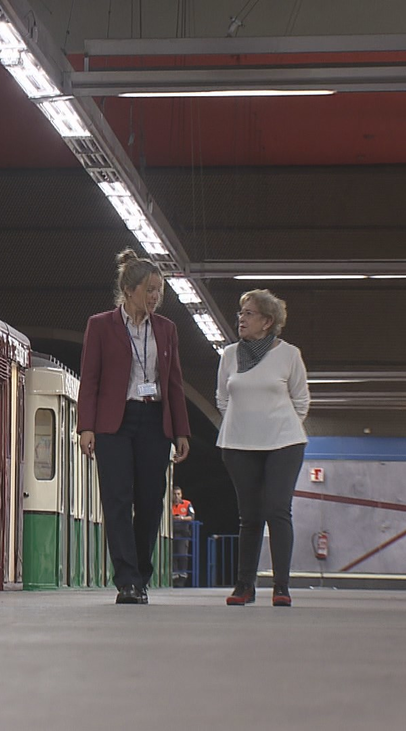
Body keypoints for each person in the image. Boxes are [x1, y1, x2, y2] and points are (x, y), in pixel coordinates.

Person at [78, 249, 191, 605]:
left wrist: (181, 431)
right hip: (114, 422)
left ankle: (141, 571)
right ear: (128, 291)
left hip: (154, 422)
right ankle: (126, 580)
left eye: (160, 290)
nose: (156, 297)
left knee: (150, 502)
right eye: (150, 290)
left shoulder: (167, 330)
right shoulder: (100, 325)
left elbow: (174, 382)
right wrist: (86, 427)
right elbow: (90, 379)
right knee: (116, 500)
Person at [216, 289, 310, 608]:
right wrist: (240, 422)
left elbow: (301, 400)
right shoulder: (229, 355)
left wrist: (279, 426)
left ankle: (281, 586)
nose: (241, 318)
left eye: (249, 313)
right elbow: (222, 397)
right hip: (239, 444)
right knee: (250, 515)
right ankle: (245, 585)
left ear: (267, 321)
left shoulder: (289, 355)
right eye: (240, 313)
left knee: (276, 510)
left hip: (283, 443)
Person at [171, 487, 194, 586]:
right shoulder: (169, 505)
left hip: (183, 533)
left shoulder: (187, 504)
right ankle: (174, 575)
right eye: (174, 494)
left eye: (178, 494)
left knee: (182, 554)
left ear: (181, 495)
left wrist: (181, 518)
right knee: (173, 555)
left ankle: (182, 575)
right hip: (172, 532)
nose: (176, 496)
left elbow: (192, 517)